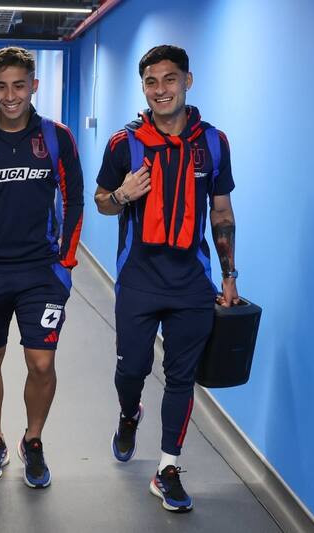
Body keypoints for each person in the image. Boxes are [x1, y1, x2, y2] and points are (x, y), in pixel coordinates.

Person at [94, 45, 239, 512]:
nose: (161, 89)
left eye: (170, 79)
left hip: (192, 282)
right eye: (152, 81)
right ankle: (128, 413)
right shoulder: (124, 143)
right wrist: (122, 192)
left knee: (181, 378)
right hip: (137, 278)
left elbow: (221, 211)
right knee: (131, 369)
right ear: (144, 88)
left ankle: (167, 468)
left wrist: (230, 274)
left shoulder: (213, 143)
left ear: (188, 82)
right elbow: (100, 200)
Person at [0, 46, 84, 488]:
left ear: (34, 86)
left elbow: (75, 199)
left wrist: (65, 263)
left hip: (41, 271)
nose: (11, 96)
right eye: (2, 86)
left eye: (19, 86)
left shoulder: (57, 138)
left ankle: (34, 440)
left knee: (41, 362)